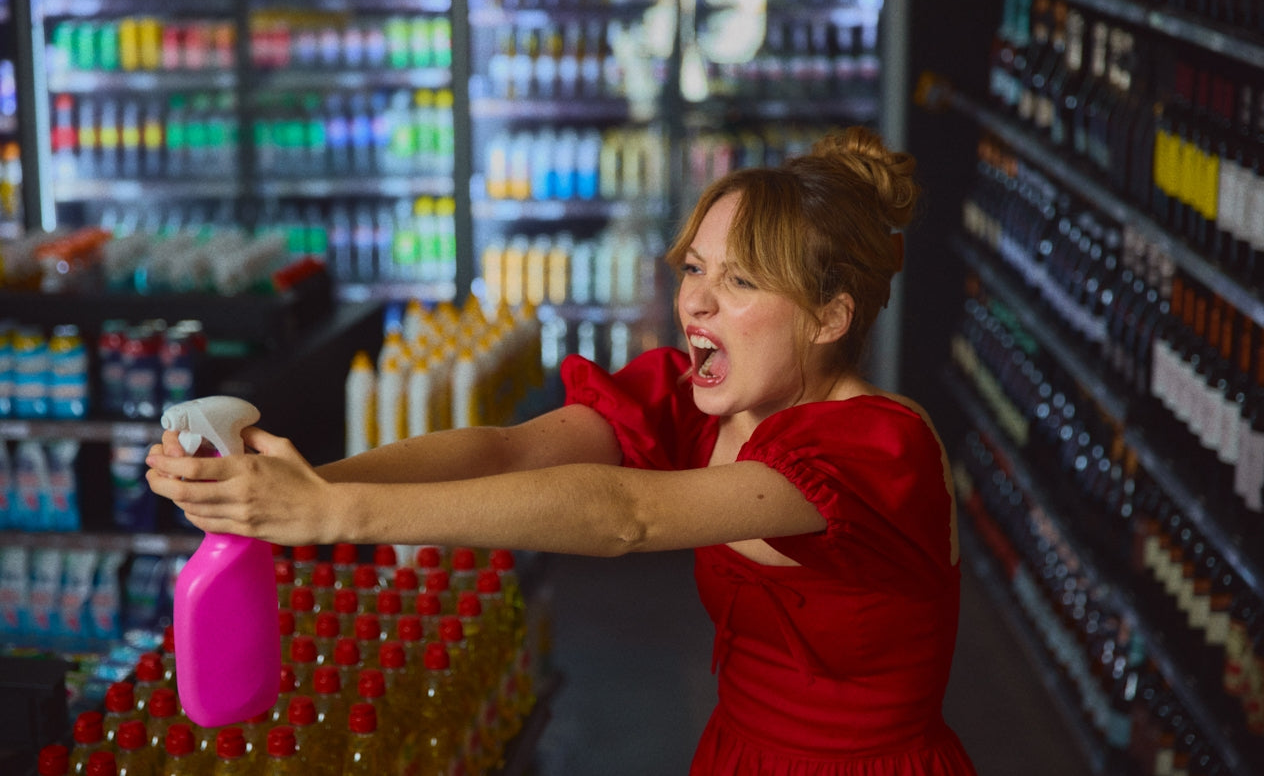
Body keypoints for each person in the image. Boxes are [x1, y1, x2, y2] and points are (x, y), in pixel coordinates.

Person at [147, 125, 978, 775]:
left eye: (742, 283)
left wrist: (334, 513)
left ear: (831, 317)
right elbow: (509, 452)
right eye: (696, 267)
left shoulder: (876, 447)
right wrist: (291, 487)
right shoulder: (701, 406)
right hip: (738, 753)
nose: (697, 302)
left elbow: (627, 516)